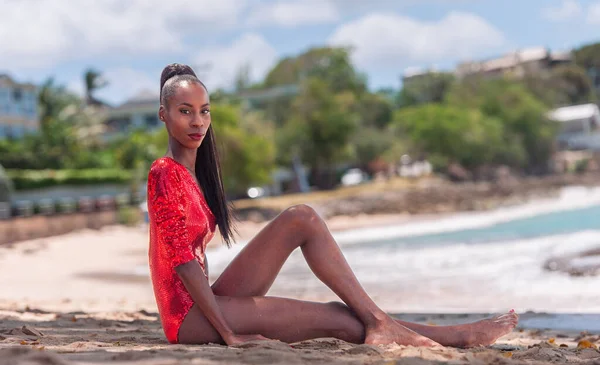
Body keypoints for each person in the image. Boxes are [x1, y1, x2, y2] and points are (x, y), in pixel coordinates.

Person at [147, 63, 519, 348]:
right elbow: (182, 263)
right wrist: (229, 334)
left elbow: (196, 262)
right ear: (164, 115)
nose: (198, 122)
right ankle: (452, 335)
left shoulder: (191, 174)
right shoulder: (164, 172)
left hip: (205, 300)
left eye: (204, 111)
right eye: (185, 111)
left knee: (301, 218)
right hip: (188, 318)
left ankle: (388, 323)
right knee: (338, 319)